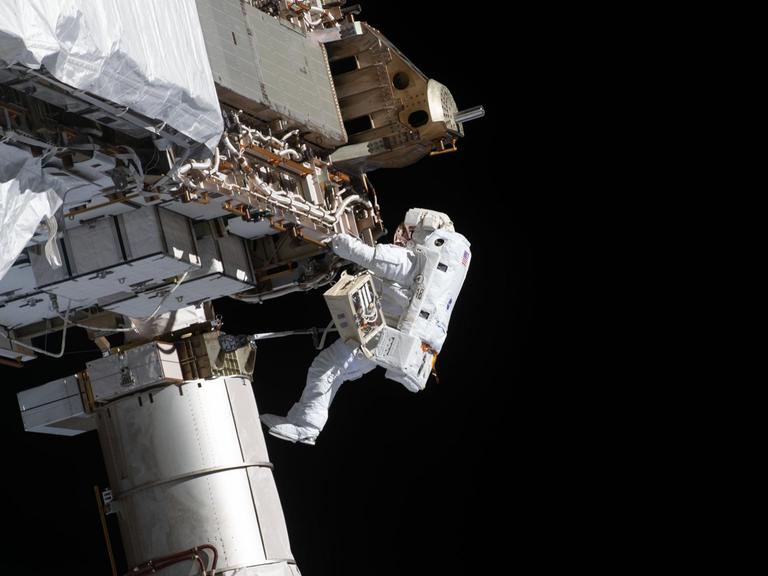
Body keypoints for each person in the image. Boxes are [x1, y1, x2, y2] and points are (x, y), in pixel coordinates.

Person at [260, 208, 471, 445]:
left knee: (326, 366)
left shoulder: (410, 262)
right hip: (386, 338)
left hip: (378, 335)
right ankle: (300, 421)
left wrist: (332, 239)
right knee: (333, 372)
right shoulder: (431, 269)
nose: (408, 236)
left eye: (412, 231)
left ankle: (307, 427)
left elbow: (368, 256)